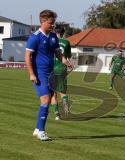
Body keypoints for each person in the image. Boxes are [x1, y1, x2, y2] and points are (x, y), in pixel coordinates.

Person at [25, 10, 72, 141]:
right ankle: (41, 131)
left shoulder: (53, 36)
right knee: (46, 99)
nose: (53, 25)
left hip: (51, 72)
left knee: (49, 98)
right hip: (39, 73)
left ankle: (37, 129)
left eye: (54, 23)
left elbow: (58, 53)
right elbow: (27, 56)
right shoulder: (35, 37)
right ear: (43, 21)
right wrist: (31, 74)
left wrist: (65, 62)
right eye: (51, 23)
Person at [50, 25, 72, 120]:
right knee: (63, 92)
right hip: (62, 69)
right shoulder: (66, 42)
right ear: (63, 33)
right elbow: (68, 57)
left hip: (51, 69)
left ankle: (57, 114)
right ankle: (66, 109)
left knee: (53, 94)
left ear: (55, 32)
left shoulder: (50, 41)